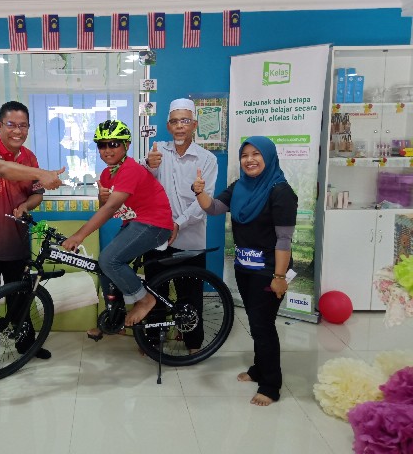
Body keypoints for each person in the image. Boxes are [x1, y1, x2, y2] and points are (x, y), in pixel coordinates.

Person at [193, 136, 297, 406]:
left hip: (270, 270)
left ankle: (271, 385)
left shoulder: (281, 192)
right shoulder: (239, 187)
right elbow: (214, 208)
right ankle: (258, 369)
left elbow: (284, 240)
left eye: (256, 154)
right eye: (245, 155)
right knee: (255, 322)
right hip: (244, 266)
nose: (249, 160)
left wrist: (279, 277)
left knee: (263, 326)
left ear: (269, 157)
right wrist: (199, 192)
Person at [0, 100, 64, 369]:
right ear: (0, 125)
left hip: (17, 242)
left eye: (23, 126)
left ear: (28, 128)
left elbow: (37, 194)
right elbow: (2, 169)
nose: (17, 131)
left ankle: (26, 345)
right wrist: (43, 173)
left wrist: (26, 205)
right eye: (11, 124)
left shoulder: (29, 157)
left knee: (21, 298)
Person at [62, 120, 173, 329]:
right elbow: (107, 206)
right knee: (104, 267)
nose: (107, 150)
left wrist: (79, 235)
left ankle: (145, 300)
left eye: (113, 144)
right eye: (102, 145)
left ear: (126, 145)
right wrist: (101, 197)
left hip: (154, 224)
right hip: (135, 222)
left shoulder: (130, 169)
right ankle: (114, 318)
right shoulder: (107, 174)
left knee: (109, 259)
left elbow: (111, 207)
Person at [140, 98, 218, 352]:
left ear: (194, 124)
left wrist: (178, 223)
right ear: (168, 126)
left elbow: (204, 202)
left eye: (185, 121)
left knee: (190, 293)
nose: (180, 126)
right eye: (174, 121)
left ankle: (193, 343)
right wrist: (149, 165)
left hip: (191, 238)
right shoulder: (158, 152)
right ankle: (153, 340)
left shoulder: (207, 159)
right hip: (157, 236)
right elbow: (142, 182)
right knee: (155, 291)